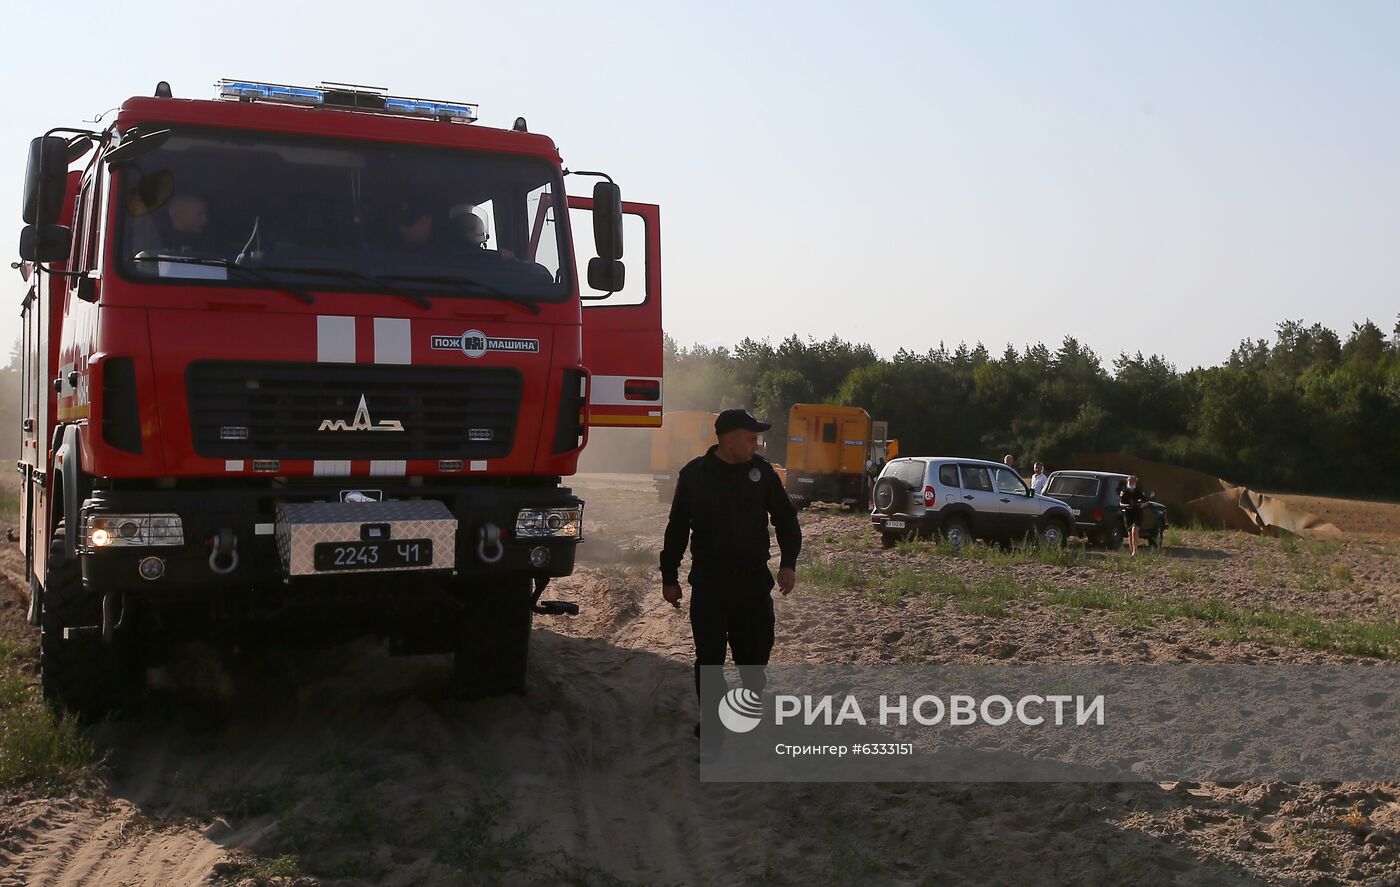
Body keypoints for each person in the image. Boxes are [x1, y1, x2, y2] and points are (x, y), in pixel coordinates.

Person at [660, 408, 801, 753]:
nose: (757, 443)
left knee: (755, 658)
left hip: (753, 584)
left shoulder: (763, 472)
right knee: (709, 659)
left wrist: (788, 563)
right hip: (710, 584)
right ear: (730, 438)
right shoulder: (695, 475)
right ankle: (712, 727)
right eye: (751, 437)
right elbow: (677, 528)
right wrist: (670, 576)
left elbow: (786, 520)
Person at [1120, 475, 1148, 556]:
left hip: (1137, 513)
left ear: (1135, 482)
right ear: (1127, 482)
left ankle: (1135, 551)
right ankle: (1132, 551)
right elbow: (1120, 503)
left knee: (1134, 530)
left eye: (1133, 481)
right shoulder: (1124, 492)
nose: (1131, 483)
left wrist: (1142, 505)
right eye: (1130, 481)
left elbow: (1146, 502)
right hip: (1128, 513)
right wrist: (1127, 505)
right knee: (1130, 533)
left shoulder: (1139, 491)